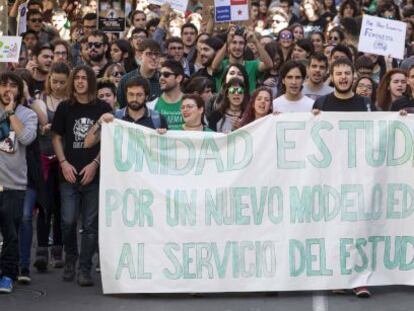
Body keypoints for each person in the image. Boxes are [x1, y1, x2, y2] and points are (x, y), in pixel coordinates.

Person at [51, 65, 112, 286]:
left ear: (91, 82)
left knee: (90, 224)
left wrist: (95, 164)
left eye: (84, 78)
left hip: (94, 175)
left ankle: (85, 269)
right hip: (68, 174)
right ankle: (71, 258)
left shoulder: (102, 108)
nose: (79, 81)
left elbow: (109, 140)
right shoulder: (65, 107)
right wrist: (63, 162)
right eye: (76, 77)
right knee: (67, 221)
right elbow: (56, 137)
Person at [28, 62, 70, 273]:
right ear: (49, 79)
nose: (58, 86)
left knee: (61, 207)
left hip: (64, 159)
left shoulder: (71, 102)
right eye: (54, 81)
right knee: (44, 205)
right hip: (43, 158)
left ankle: (58, 250)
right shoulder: (41, 99)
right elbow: (37, 121)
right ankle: (42, 250)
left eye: (62, 82)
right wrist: (44, 125)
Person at [0, 72, 38, 293]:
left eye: (13, 86)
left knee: (11, 233)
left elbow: (25, 139)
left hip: (14, 184)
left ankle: (8, 274)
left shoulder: (27, 115)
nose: (7, 90)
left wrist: (11, 112)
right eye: (3, 85)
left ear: (20, 90)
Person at [84, 76, 167, 148]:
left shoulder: (158, 119)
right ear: (126, 95)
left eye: (139, 95)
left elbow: (166, 151)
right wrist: (99, 122)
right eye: (131, 94)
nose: (134, 99)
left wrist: (164, 136)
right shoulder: (114, 118)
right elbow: (88, 143)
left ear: (146, 96)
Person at [211, 26, 273, 94]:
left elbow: (269, 65)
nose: (237, 47)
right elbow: (214, 67)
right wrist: (227, 42)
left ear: (245, 47)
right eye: (234, 42)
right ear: (228, 47)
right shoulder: (222, 65)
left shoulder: (253, 65)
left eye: (241, 43)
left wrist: (255, 41)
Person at [117, 39, 161, 108]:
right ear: (139, 55)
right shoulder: (126, 79)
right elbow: (121, 107)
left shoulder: (163, 80)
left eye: (157, 54)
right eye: (149, 54)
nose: (154, 57)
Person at [147, 60, 184, 130]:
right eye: (160, 75)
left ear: (179, 78)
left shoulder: (193, 103)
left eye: (166, 75)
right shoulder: (151, 104)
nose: (161, 78)